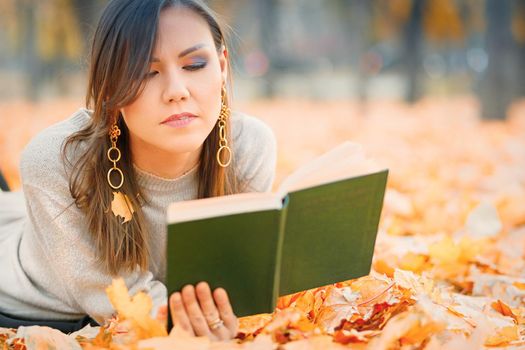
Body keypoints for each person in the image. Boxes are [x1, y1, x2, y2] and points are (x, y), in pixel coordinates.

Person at [0, 0, 276, 340]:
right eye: (146, 72)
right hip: (33, 305)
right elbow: (127, 307)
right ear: (110, 90)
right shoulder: (56, 159)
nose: (177, 91)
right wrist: (194, 328)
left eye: (195, 64)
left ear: (221, 67)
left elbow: (229, 287)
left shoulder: (250, 146)